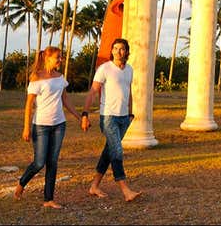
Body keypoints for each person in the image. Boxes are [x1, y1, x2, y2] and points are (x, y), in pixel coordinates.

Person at [14, 46, 81, 208]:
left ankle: (48, 199)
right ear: (47, 58)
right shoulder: (36, 77)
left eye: (61, 57)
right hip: (41, 126)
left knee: (53, 162)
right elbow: (29, 105)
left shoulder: (60, 77)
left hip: (59, 125)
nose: (60, 60)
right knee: (39, 162)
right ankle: (21, 184)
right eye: (58, 57)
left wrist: (79, 117)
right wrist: (26, 128)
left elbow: (65, 100)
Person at [81, 37, 141, 201]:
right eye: (115, 48)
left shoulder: (129, 69)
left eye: (121, 49)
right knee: (117, 151)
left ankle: (94, 186)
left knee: (109, 152)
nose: (118, 51)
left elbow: (128, 92)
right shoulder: (104, 69)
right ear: (112, 51)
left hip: (124, 118)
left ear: (126, 52)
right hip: (108, 117)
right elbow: (93, 92)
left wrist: (130, 114)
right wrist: (85, 114)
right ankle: (125, 190)